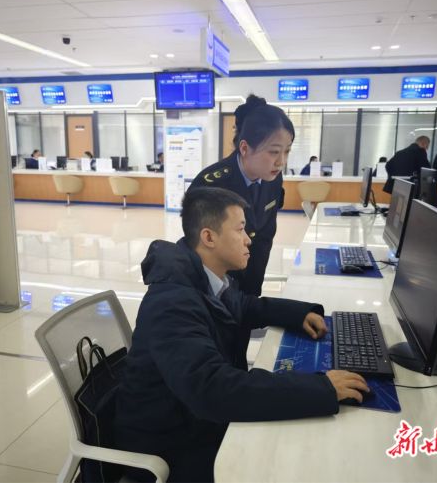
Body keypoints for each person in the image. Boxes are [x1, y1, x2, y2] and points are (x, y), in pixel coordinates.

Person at [114, 187, 368, 483]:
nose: (249, 239)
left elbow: (243, 307)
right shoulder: (172, 302)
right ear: (209, 237)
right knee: (288, 462)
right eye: (240, 229)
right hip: (169, 443)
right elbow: (212, 390)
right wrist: (321, 388)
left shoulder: (202, 275)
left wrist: (298, 314)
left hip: (192, 418)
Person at [188, 94, 293, 296]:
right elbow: (201, 249)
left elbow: (264, 234)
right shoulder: (211, 185)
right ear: (244, 148)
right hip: (214, 290)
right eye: (273, 152)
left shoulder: (273, 178)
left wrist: (253, 289)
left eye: (286, 151)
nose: (281, 162)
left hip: (253, 278)